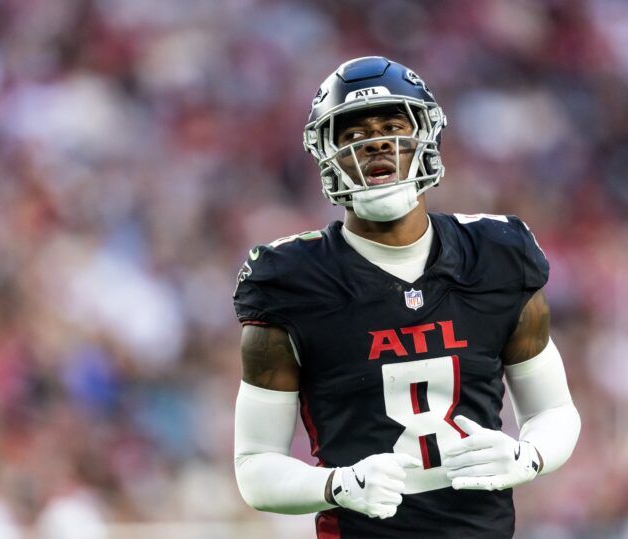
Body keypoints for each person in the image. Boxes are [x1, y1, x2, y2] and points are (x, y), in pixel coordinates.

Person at [232, 56, 581, 539]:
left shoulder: (496, 256)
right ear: (327, 154)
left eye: (393, 126)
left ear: (426, 137)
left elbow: (552, 411)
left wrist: (528, 455)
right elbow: (255, 466)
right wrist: (338, 485)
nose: (377, 142)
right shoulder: (293, 280)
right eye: (354, 134)